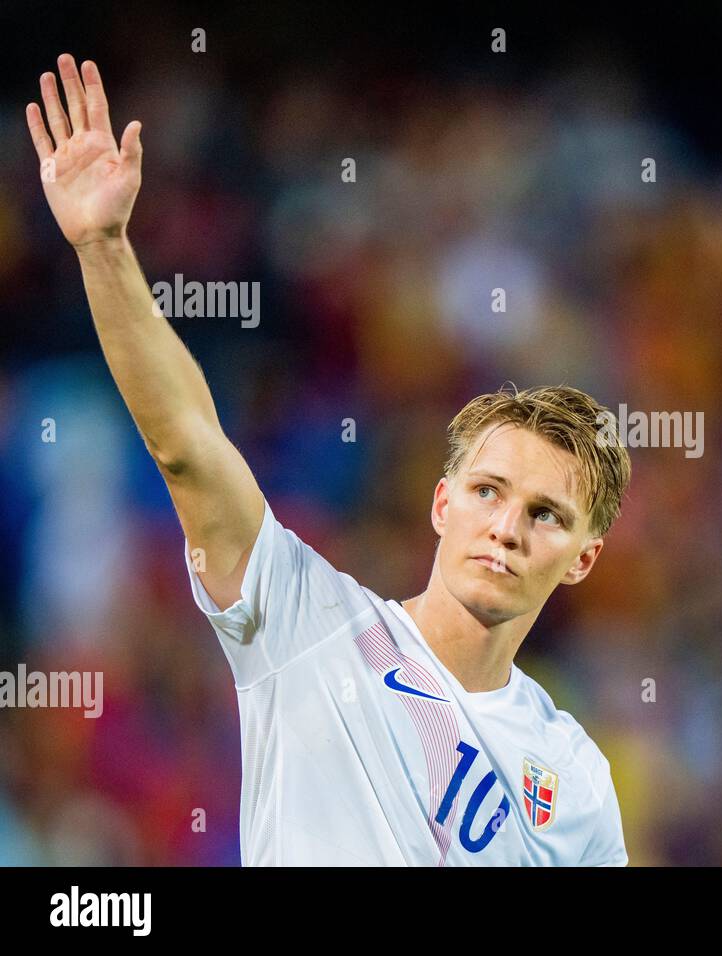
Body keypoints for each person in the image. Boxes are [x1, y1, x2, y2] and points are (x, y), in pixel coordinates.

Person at [26, 53, 632, 865]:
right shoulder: (311, 623)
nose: (507, 528)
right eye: (488, 491)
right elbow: (187, 447)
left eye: (546, 514)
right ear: (442, 503)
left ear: (585, 556)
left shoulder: (578, 782)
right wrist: (103, 246)